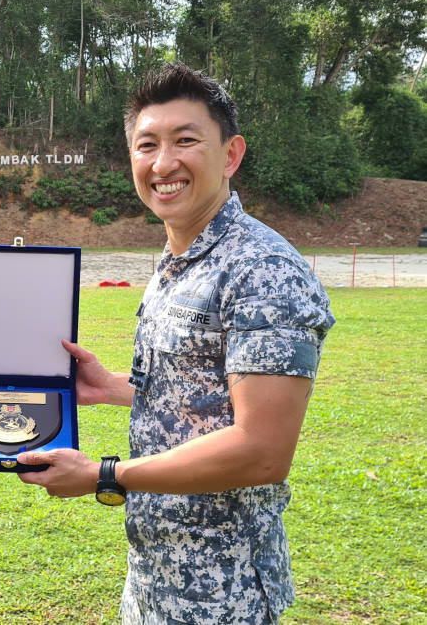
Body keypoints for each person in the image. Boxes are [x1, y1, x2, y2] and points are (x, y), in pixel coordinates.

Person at [17, 63, 335, 624]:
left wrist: (103, 474)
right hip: (154, 574)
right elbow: (200, 395)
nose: (163, 164)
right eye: (147, 145)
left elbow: (262, 450)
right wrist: (113, 387)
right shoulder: (178, 261)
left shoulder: (262, 269)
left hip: (222, 590)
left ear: (231, 154)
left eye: (186, 141)